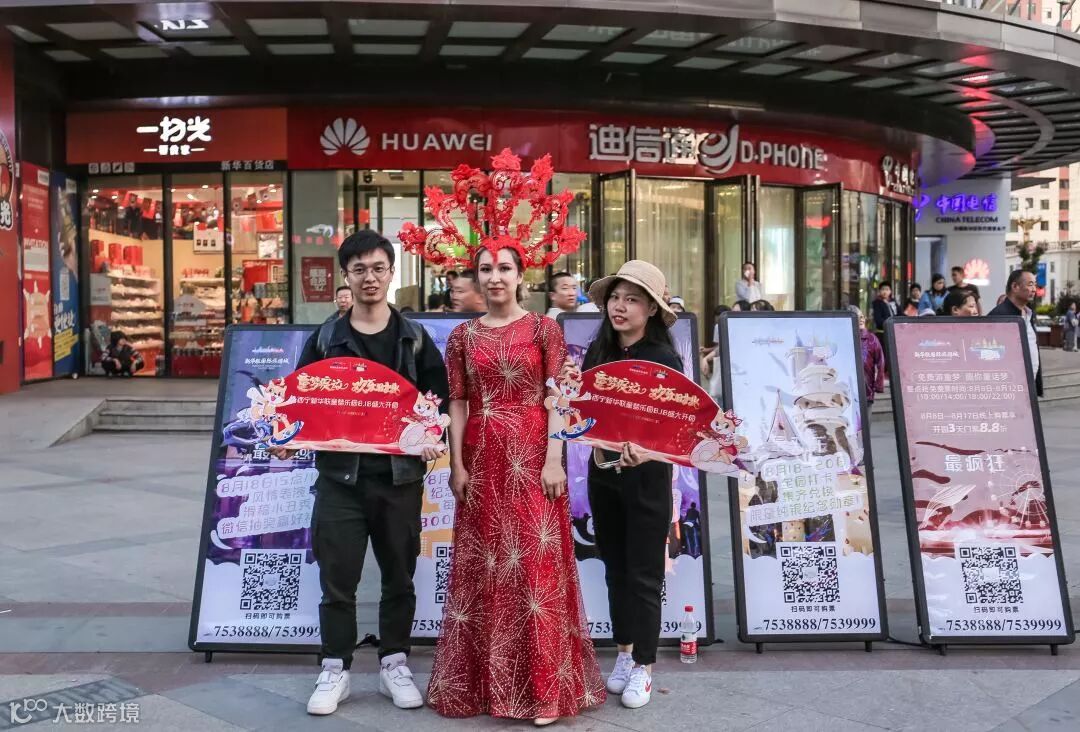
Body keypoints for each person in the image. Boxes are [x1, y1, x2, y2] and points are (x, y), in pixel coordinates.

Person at [428, 244, 605, 723]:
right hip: (482, 459)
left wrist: (554, 459)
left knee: (535, 569)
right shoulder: (462, 336)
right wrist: (455, 464)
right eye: (486, 269)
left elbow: (558, 398)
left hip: (534, 457)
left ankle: (545, 692)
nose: (495, 277)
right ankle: (492, 687)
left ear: (520, 275)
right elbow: (457, 401)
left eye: (504, 268)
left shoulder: (544, 329)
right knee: (485, 567)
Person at [290, 231, 450, 717]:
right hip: (340, 481)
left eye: (378, 268)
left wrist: (431, 434)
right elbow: (300, 402)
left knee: (399, 577)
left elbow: (438, 403)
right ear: (346, 276)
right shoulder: (325, 339)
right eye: (359, 269)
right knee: (337, 580)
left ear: (391, 273)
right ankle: (334, 667)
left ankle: (393, 663)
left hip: (399, 481)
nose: (370, 278)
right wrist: (285, 434)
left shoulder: (414, 338)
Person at [582, 260, 681, 710]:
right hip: (604, 476)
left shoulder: (663, 358)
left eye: (632, 300)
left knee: (644, 573)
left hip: (647, 481)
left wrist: (649, 450)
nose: (619, 307)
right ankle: (623, 653)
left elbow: (679, 428)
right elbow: (583, 411)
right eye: (615, 299)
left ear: (652, 309)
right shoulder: (598, 352)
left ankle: (644, 664)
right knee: (615, 568)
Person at [989, 269, 1042, 396]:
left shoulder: (1029, 313)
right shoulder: (999, 315)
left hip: (1029, 384)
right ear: (1015, 286)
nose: (1034, 289)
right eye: (1030, 284)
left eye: (1035, 285)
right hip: (1009, 388)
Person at [851, 307, 884, 404]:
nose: (861, 319)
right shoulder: (844, 338)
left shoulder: (872, 339)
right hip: (848, 390)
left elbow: (881, 361)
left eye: (862, 316)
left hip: (867, 392)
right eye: (857, 317)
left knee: (867, 412)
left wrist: (879, 384)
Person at [701, 304, 730, 403]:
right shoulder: (718, 326)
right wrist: (706, 350)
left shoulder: (719, 325)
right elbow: (719, 347)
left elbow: (720, 347)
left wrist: (706, 357)